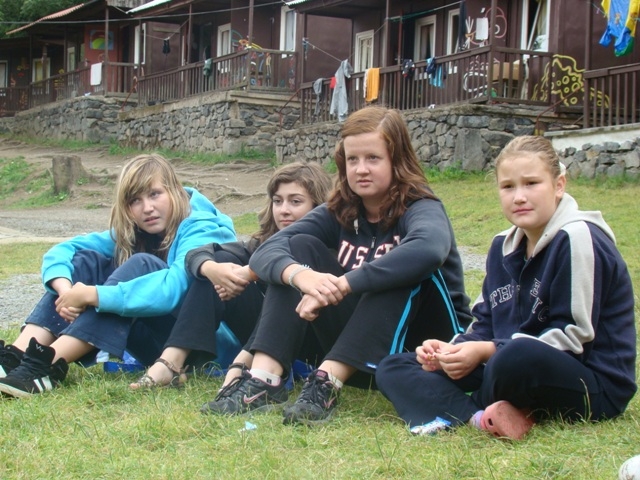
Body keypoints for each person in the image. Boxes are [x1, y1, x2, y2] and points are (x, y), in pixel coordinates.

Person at [201, 106, 473, 425]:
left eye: (373, 158)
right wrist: (301, 276)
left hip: (426, 349)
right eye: (352, 159)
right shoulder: (340, 210)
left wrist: (345, 283)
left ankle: (326, 384)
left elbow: (427, 250)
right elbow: (267, 250)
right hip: (360, 349)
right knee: (299, 247)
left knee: (402, 267)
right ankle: (264, 381)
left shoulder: (421, 207)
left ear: (397, 160)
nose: (361, 169)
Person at [376, 135, 637, 439]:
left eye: (531, 183)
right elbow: (485, 322)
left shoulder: (579, 238)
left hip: (591, 383)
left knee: (515, 357)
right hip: (504, 363)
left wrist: (487, 351)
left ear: (559, 185)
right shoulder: (502, 245)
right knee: (393, 367)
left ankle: (464, 404)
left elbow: (574, 340)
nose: (519, 197)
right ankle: (479, 418)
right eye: (508, 187)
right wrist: (452, 352)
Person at [0, 154, 236, 397]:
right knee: (87, 260)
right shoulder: (138, 230)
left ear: (175, 190)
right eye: (135, 200)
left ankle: (47, 365)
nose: (147, 208)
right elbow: (66, 250)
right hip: (156, 342)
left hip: (200, 348)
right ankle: (15, 357)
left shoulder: (203, 227)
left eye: (155, 194)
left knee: (142, 264)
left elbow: (172, 289)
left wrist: (92, 294)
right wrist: (66, 292)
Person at [129, 162, 333, 389]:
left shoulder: (327, 249)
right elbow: (198, 253)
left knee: (284, 280)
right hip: (263, 336)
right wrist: (211, 268)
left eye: (295, 201)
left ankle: (242, 363)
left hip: (312, 342)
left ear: (317, 205)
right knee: (221, 263)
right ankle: (172, 361)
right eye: (277, 201)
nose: (283, 210)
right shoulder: (263, 244)